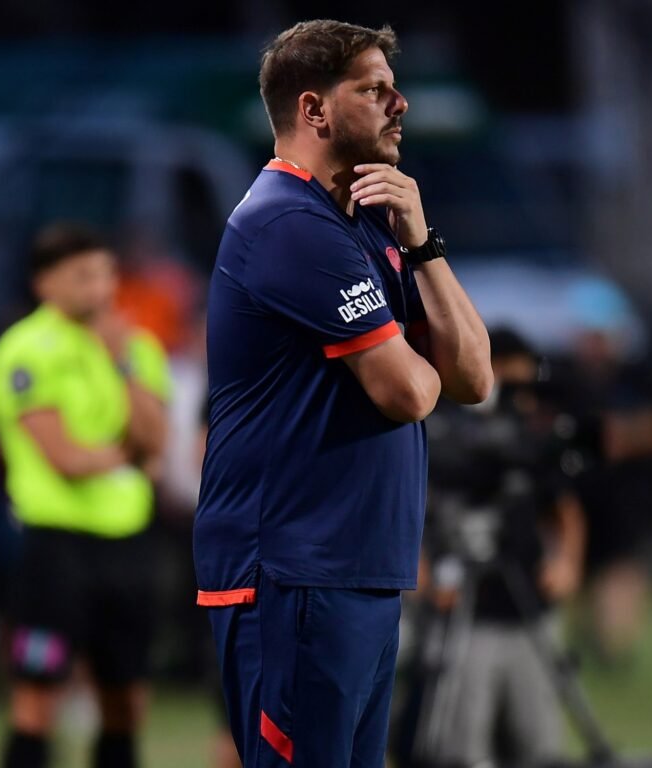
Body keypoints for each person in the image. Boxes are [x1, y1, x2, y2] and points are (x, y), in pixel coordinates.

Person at [193, 19, 492, 768]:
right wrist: (419, 358)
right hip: (293, 572)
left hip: (352, 570)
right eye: (374, 89)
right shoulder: (288, 224)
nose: (400, 103)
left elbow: (474, 377)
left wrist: (422, 242)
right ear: (314, 109)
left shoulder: (362, 225)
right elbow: (409, 392)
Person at [0, 223, 171, 768]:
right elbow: (65, 459)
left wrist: (122, 364)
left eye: (105, 274)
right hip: (54, 549)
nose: (99, 288)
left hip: (127, 544)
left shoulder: (134, 347)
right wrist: (129, 457)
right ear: (45, 283)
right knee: (37, 698)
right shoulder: (25, 350)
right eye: (83, 276)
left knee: (126, 701)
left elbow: (156, 442)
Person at [411, 328, 586, 768]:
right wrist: (422, 572)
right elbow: (412, 507)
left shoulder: (530, 440)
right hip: (462, 613)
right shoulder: (443, 429)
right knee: (462, 746)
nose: (520, 398)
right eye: (512, 382)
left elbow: (564, 508)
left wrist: (566, 562)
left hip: (529, 608)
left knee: (539, 742)